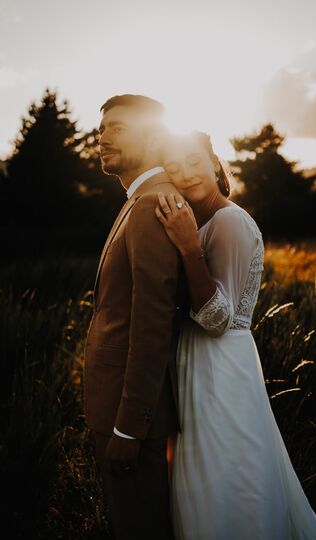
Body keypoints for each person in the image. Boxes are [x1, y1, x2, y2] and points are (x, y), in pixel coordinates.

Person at [155, 131, 316, 540]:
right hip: (198, 362)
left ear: (215, 163)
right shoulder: (201, 219)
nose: (185, 174)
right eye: (174, 167)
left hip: (220, 365)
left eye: (194, 161)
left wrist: (187, 247)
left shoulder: (229, 221)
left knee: (228, 479)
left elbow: (218, 318)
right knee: (205, 474)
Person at [83, 94, 188, 540]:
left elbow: (152, 324)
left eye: (117, 129)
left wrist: (129, 427)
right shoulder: (138, 198)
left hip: (130, 421)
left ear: (153, 137)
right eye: (102, 128)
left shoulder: (151, 205)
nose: (102, 138)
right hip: (117, 409)